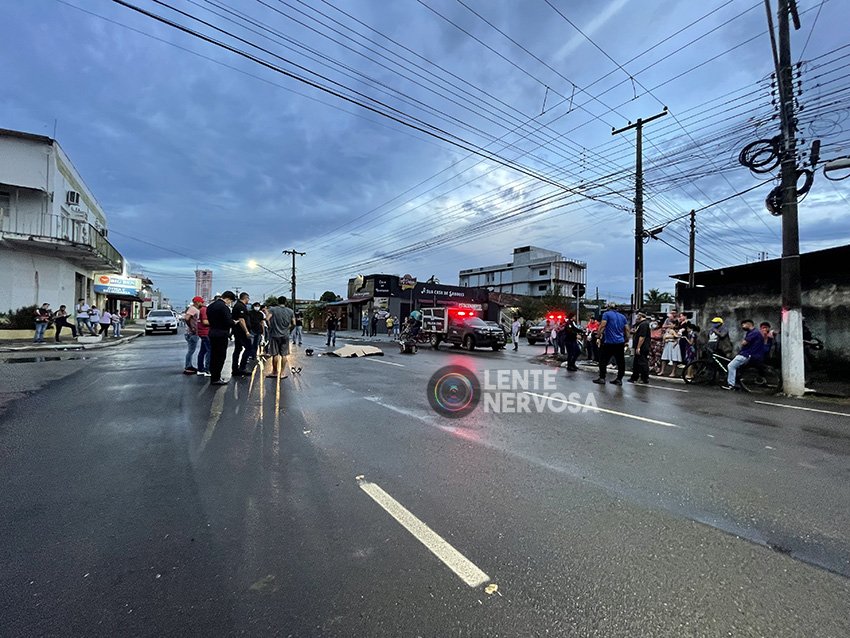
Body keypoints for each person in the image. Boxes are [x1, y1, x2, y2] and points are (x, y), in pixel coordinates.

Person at [724, 319, 769, 390]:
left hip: (746, 354)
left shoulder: (753, 333)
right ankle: (737, 382)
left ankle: (731, 385)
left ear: (749, 324)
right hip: (751, 354)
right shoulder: (753, 332)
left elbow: (744, 342)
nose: (742, 327)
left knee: (731, 366)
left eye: (743, 325)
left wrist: (743, 343)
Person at [593, 302, 629, 385]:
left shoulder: (606, 314)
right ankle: (619, 379)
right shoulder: (622, 316)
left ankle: (602, 378)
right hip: (620, 342)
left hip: (609, 342)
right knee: (620, 361)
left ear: (608, 308)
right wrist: (626, 339)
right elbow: (627, 329)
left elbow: (603, 325)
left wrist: (598, 335)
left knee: (603, 360)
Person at [207, 291, 236, 385]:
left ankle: (213, 376)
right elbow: (228, 321)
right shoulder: (224, 307)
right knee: (220, 356)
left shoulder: (210, 306)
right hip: (221, 334)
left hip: (212, 332)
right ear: (228, 298)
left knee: (213, 356)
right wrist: (234, 322)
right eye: (230, 301)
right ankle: (216, 378)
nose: (229, 303)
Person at [264, 296, 295, 378]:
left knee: (275, 354)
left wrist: (270, 327)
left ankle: (274, 372)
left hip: (274, 335)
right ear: (285, 302)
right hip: (285, 335)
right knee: (284, 354)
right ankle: (282, 373)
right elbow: (294, 323)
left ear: (278, 302)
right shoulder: (290, 311)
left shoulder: (273, 310)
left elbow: (267, 319)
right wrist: (289, 330)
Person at [230, 292, 253, 377]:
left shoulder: (239, 305)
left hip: (238, 332)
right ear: (245, 298)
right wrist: (246, 331)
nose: (248, 300)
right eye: (248, 299)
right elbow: (241, 320)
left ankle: (235, 369)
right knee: (249, 348)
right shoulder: (240, 306)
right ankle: (242, 367)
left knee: (238, 349)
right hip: (241, 332)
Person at [628, 310, 651, 383]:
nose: (636, 317)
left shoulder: (644, 324)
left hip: (642, 347)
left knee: (642, 362)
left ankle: (645, 378)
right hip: (638, 346)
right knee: (636, 362)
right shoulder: (639, 324)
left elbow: (642, 337)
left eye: (637, 315)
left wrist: (638, 347)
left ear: (640, 316)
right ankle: (634, 377)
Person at [183, 297, 203, 374]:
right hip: (191, 333)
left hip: (192, 332)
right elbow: (187, 318)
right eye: (201, 302)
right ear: (197, 302)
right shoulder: (193, 309)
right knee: (191, 351)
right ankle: (188, 367)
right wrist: (192, 328)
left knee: (191, 350)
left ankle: (189, 365)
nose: (202, 303)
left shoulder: (194, 309)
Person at [196, 299, 211, 377]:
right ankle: (208, 370)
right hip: (206, 332)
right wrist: (215, 322)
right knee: (210, 351)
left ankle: (200, 369)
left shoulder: (199, 310)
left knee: (203, 351)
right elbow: (205, 322)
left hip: (201, 332)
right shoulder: (204, 310)